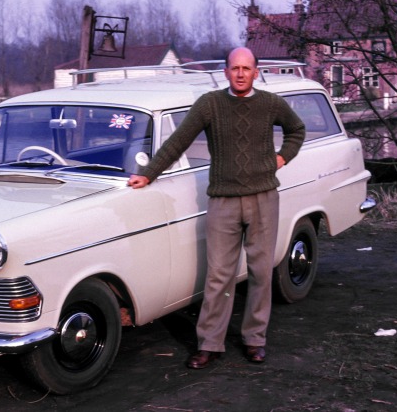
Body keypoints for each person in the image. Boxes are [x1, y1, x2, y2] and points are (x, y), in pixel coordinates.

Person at [127, 47, 306, 368]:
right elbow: (178, 141)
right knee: (219, 276)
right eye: (235, 68)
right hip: (222, 200)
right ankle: (210, 343)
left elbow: (297, 130)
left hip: (264, 197)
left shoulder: (269, 104)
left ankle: (255, 339)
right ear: (226, 72)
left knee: (261, 272)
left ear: (256, 71)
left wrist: (280, 158)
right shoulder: (209, 104)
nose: (240, 73)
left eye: (246, 68)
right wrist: (148, 174)